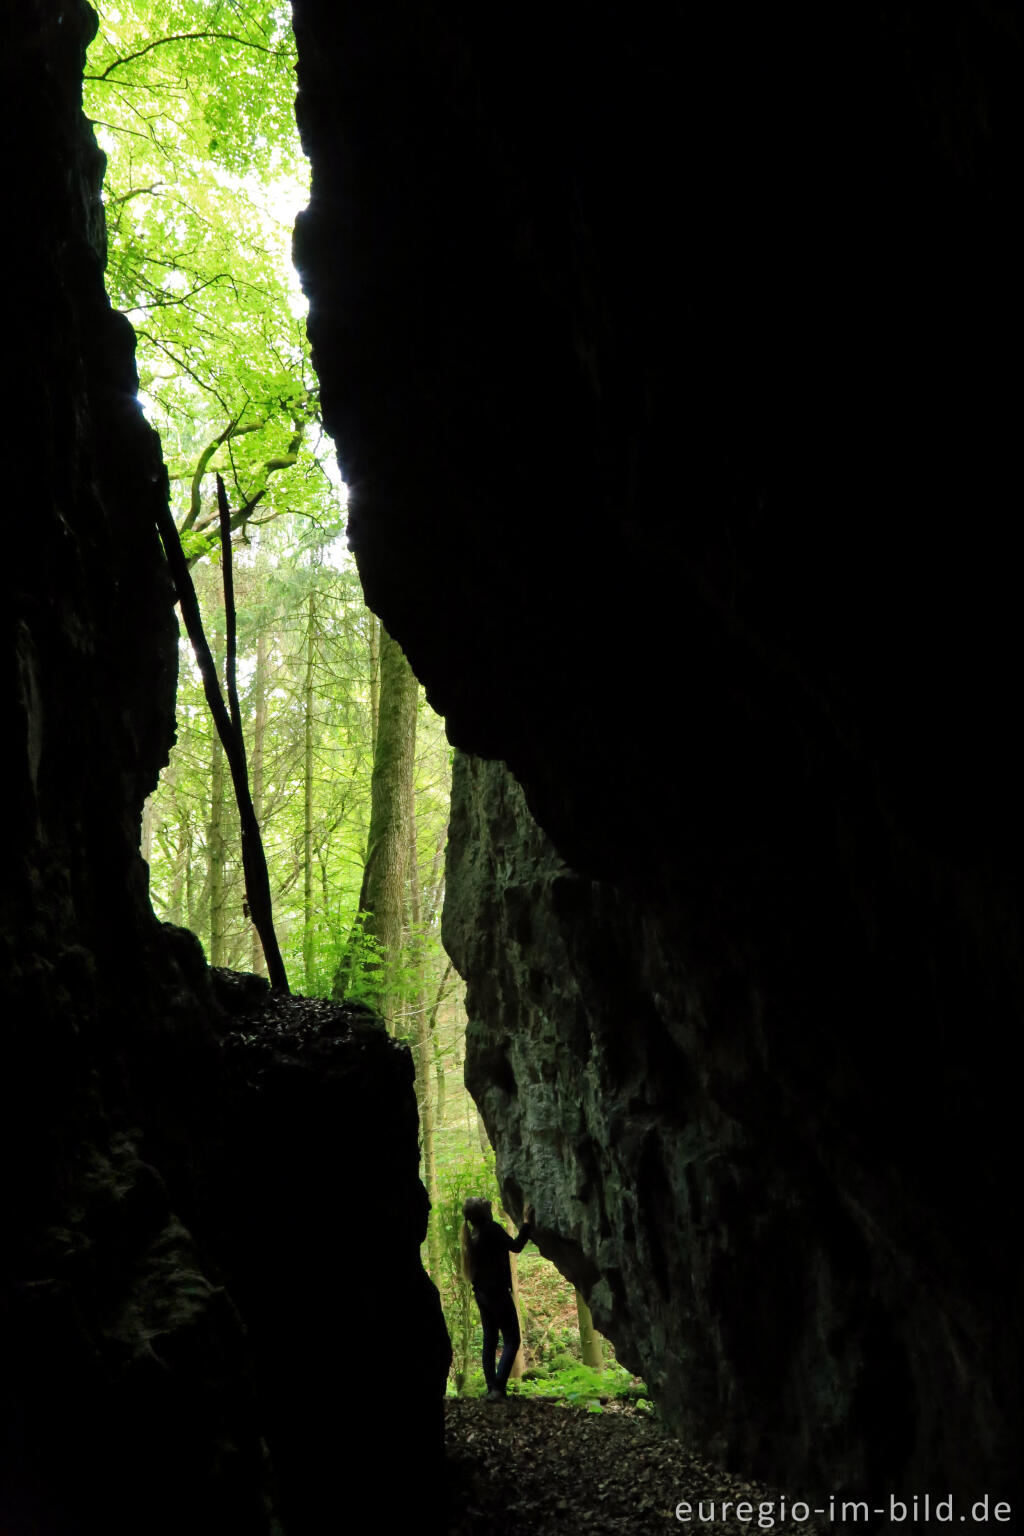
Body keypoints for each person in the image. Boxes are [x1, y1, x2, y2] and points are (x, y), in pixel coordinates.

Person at [461, 1196, 535, 1401]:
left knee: (490, 1340)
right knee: (512, 1338)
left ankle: (492, 1386)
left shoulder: (474, 1233)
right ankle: (498, 1388)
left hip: (482, 1293)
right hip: (496, 1293)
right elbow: (517, 1246)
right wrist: (527, 1223)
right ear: (483, 1212)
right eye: (484, 1203)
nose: (487, 1201)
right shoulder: (490, 1229)